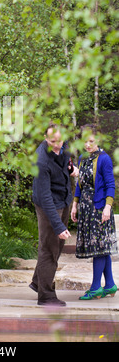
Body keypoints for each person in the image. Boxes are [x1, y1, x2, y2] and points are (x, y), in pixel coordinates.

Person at [30, 123, 79, 306]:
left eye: (59, 140)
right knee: (49, 247)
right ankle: (46, 295)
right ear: (45, 137)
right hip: (48, 204)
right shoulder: (41, 161)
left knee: (57, 246)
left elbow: (66, 162)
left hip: (63, 199)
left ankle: (38, 281)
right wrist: (58, 225)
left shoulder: (63, 148)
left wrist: (71, 169)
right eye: (52, 141)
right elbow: (44, 197)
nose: (56, 145)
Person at [71, 124, 117, 300]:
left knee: (99, 248)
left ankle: (96, 286)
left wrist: (107, 207)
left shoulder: (104, 159)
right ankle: (110, 284)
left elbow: (110, 185)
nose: (88, 144)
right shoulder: (83, 158)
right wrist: (75, 204)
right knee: (102, 248)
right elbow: (80, 184)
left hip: (99, 209)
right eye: (85, 141)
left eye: (91, 141)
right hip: (86, 208)